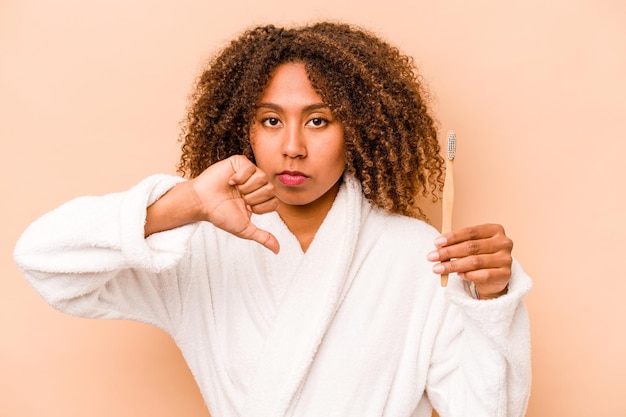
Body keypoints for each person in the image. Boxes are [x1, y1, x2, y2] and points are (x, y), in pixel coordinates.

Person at [14, 22, 531, 417]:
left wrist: (490, 301)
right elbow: (43, 261)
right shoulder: (199, 248)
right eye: (270, 120)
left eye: (318, 120)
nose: (292, 147)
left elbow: (485, 409)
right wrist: (185, 202)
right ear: (245, 128)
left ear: (361, 129)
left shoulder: (417, 254)